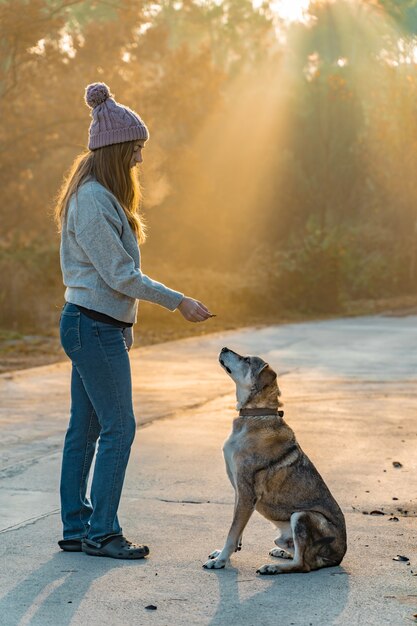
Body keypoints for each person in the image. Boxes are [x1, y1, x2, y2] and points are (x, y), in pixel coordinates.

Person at [54, 82, 212, 559]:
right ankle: (101, 532)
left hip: (93, 325)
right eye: (136, 149)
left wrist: (126, 324)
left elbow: (112, 280)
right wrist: (178, 299)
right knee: (119, 427)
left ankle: (78, 528)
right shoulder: (93, 201)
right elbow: (121, 275)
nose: (140, 159)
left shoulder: (99, 195)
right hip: (91, 327)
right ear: (116, 149)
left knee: (85, 430)